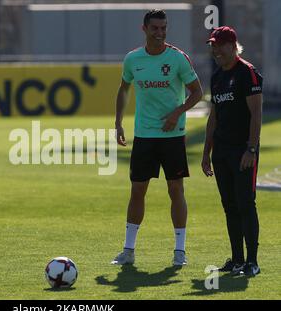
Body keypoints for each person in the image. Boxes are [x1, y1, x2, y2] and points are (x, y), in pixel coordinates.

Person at [111, 9, 203, 266]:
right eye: (155, 29)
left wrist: (177, 113)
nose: (160, 33)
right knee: (137, 189)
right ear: (144, 29)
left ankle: (179, 252)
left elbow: (197, 92)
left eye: (164, 28)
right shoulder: (132, 59)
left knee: (176, 189)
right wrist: (118, 123)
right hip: (144, 135)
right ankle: (128, 251)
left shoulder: (178, 59)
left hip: (173, 136)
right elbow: (123, 88)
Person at [202, 26, 263, 276]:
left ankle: (252, 262)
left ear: (232, 45)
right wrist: (206, 153)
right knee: (229, 206)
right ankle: (237, 259)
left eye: (219, 45)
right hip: (222, 152)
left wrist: (251, 148)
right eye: (213, 45)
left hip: (242, 151)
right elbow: (213, 118)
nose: (215, 50)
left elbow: (256, 114)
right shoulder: (217, 77)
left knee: (245, 204)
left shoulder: (247, 73)